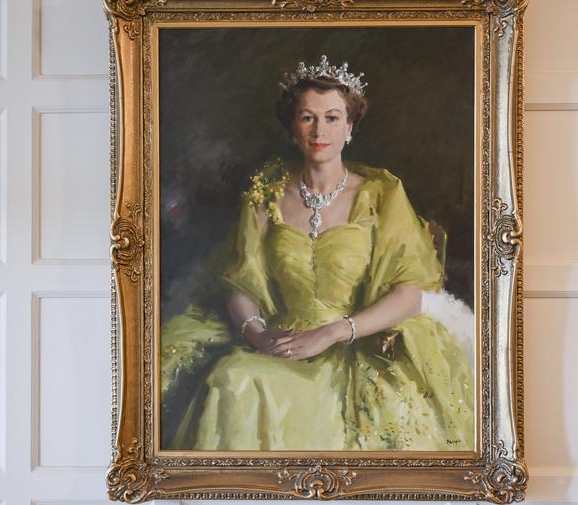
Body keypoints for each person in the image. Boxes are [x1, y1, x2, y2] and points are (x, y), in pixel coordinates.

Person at [161, 56, 474, 451]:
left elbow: (411, 293)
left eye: (331, 118)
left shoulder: (380, 194)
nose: (319, 130)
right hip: (282, 341)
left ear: (349, 127)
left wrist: (332, 333)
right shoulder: (265, 195)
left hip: (360, 344)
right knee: (231, 379)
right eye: (307, 117)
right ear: (293, 127)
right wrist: (260, 337)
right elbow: (240, 283)